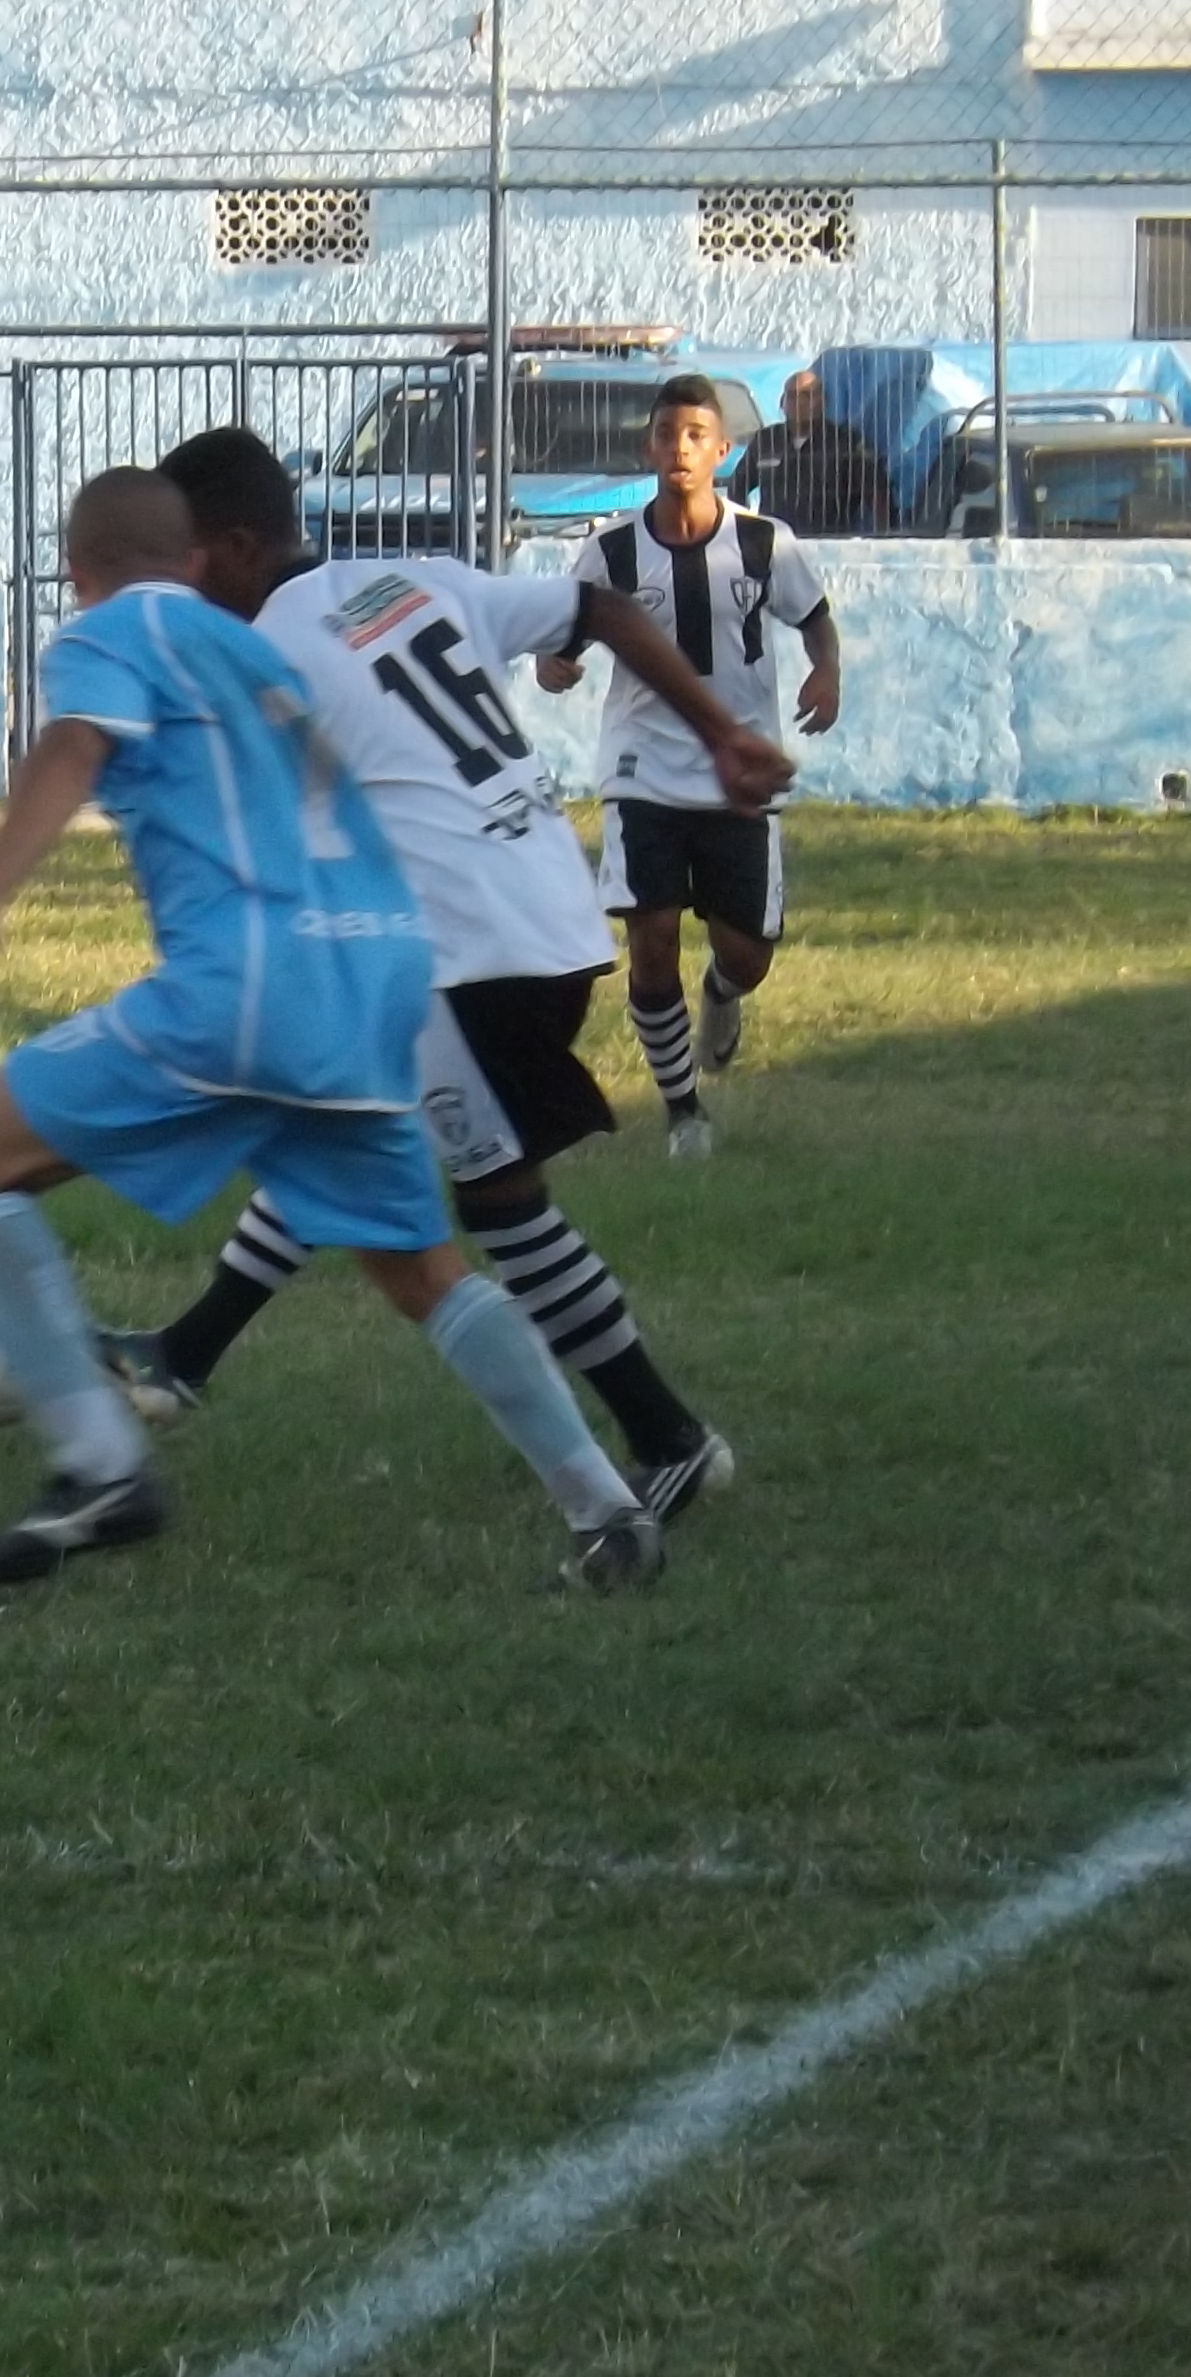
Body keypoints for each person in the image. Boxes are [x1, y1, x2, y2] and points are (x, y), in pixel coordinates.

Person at [0, 469, 662, 1593]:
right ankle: (607, 1510)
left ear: (78, 567)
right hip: (374, 971)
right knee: (425, 1275)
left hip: (245, 980)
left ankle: (100, 1464)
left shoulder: (109, 632)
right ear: (195, 556)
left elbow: (72, 748)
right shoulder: (255, 650)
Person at [110, 424, 793, 1525]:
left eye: (180, 562)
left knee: (500, 1208)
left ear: (233, 548)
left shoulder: (265, 658)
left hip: (458, 954)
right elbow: (604, 611)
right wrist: (715, 731)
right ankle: (183, 1356)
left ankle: (667, 1439)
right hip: (543, 920)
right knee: (333, 1123)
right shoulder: (413, 578)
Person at [534, 372, 840, 1160]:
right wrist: (552, 670)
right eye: (668, 434)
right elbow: (558, 644)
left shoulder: (766, 543)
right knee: (653, 938)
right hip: (641, 771)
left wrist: (825, 670)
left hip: (736, 774)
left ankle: (722, 994)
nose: (680, 449)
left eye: (696, 436)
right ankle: (683, 1112)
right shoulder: (608, 551)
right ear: (650, 446)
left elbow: (815, 620)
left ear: (723, 450)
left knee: (747, 954)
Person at [738, 368, 897, 538]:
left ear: (823, 401)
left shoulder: (845, 443)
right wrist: (745, 532)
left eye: (807, 395)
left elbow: (877, 496)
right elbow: (737, 488)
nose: (799, 402)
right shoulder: (766, 441)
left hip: (826, 550)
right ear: (782, 402)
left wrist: (883, 541)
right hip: (775, 546)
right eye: (792, 395)